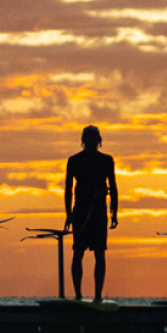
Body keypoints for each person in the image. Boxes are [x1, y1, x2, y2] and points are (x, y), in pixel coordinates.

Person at [64, 125, 119, 303]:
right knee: (78, 251)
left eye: (94, 138)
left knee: (100, 253)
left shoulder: (107, 160)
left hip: (99, 210)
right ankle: (78, 295)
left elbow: (113, 186)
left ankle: (97, 296)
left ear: (99, 140)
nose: (91, 141)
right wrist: (69, 214)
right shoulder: (74, 161)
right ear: (83, 140)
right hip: (80, 210)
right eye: (88, 138)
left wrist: (114, 212)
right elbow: (68, 189)